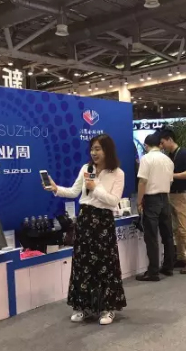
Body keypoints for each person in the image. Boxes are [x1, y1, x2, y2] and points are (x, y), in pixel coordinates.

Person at [43, 134, 127, 326]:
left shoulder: (118, 173)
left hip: (103, 221)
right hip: (85, 219)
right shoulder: (85, 169)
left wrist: (95, 187)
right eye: (92, 149)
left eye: (98, 149)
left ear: (107, 150)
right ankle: (84, 306)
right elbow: (74, 192)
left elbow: (113, 201)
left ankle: (107, 308)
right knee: (83, 264)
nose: (94, 153)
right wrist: (56, 188)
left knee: (105, 263)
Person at [136, 134, 176, 281]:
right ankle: (168, 267)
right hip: (165, 198)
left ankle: (153, 272)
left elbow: (142, 182)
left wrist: (139, 201)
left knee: (151, 236)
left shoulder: (146, 159)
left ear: (146, 145)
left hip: (151, 199)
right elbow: (170, 181)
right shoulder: (168, 160)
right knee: (167, 235)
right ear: (159, 144)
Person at [159, 129, 186, 274]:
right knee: (176, 229)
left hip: (182, 194)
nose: (162, 146)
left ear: (170, 139)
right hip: (171, 194)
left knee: (183, 228)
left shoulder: (185, 153)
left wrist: (170, 175)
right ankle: (181, 257)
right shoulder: (169, 156)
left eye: (163, 142)